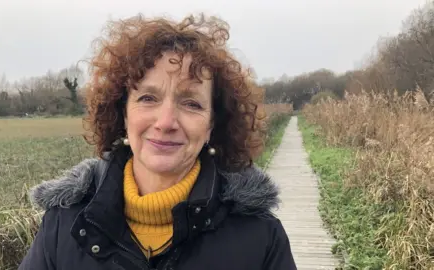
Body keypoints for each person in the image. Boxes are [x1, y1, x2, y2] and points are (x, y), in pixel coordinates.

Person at [19, 13, 296, 270]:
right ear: (123, 114)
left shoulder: (261, 238)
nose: (165, 122)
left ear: (212, 124)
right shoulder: (62, 226)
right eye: (148, 98)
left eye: (191, 103)